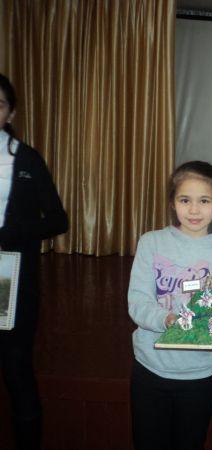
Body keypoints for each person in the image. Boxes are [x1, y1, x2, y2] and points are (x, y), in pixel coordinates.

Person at [127, 161, 212, 450]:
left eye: (204, 201)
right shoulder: (151, 242)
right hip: (150, 368)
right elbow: (138, 301)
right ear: (172, 202)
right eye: (185, 200)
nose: (194, 210)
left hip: (199, 375)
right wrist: (166, 319)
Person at [0, 73, 69, 449]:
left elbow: (59, 220)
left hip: (9, 279)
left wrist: (11, 233)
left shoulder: (26, 159)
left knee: (16, 370)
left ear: (11, 113)